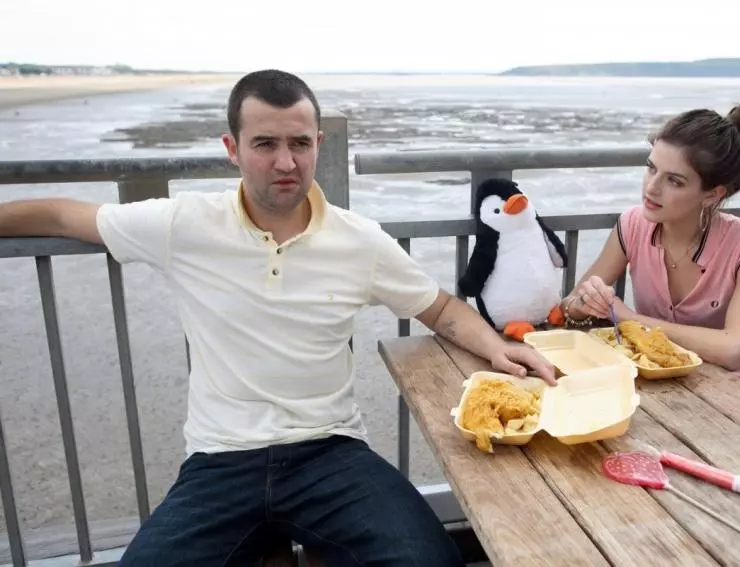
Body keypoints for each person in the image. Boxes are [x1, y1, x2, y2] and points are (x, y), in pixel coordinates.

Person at [0, 69, 556, 567]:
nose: (286, 162)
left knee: (427, 559)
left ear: (317, 144)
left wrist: (498, 348)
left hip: (330, 453)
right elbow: (64, 215)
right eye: (265, 143)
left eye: (299, 143)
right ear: (233, 148)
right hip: (220, 461)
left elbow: (439, 308)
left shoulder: (359, 240)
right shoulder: (185, 225)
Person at [561, 105, 740, 371]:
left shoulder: (735, 245)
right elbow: (568, 307)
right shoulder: (633, 225)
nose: (652, 188)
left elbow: (733, 350)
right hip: (652, 385)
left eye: (674, 181)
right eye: (651, 168)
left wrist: (632, 320)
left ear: (712, 194)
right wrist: (585, 304)